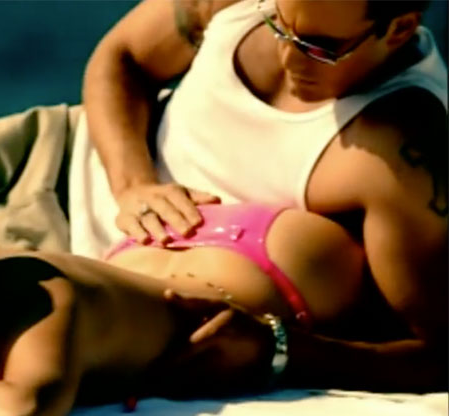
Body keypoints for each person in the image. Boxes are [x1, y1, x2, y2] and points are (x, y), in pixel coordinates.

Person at [0, 164, 403, 416]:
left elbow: (22, 413)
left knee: (418, 340)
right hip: (145, 254)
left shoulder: (31, 299)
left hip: (272, 267)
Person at [70, 0, 447, 390]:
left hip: (130, 295)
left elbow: (437, 355)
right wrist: (132, 184)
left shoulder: (405, 155)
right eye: (277, 24)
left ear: (400, 29)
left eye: (319, 47)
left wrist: (279, 350)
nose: (289, 58)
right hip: (60, 167)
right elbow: (124, 55)